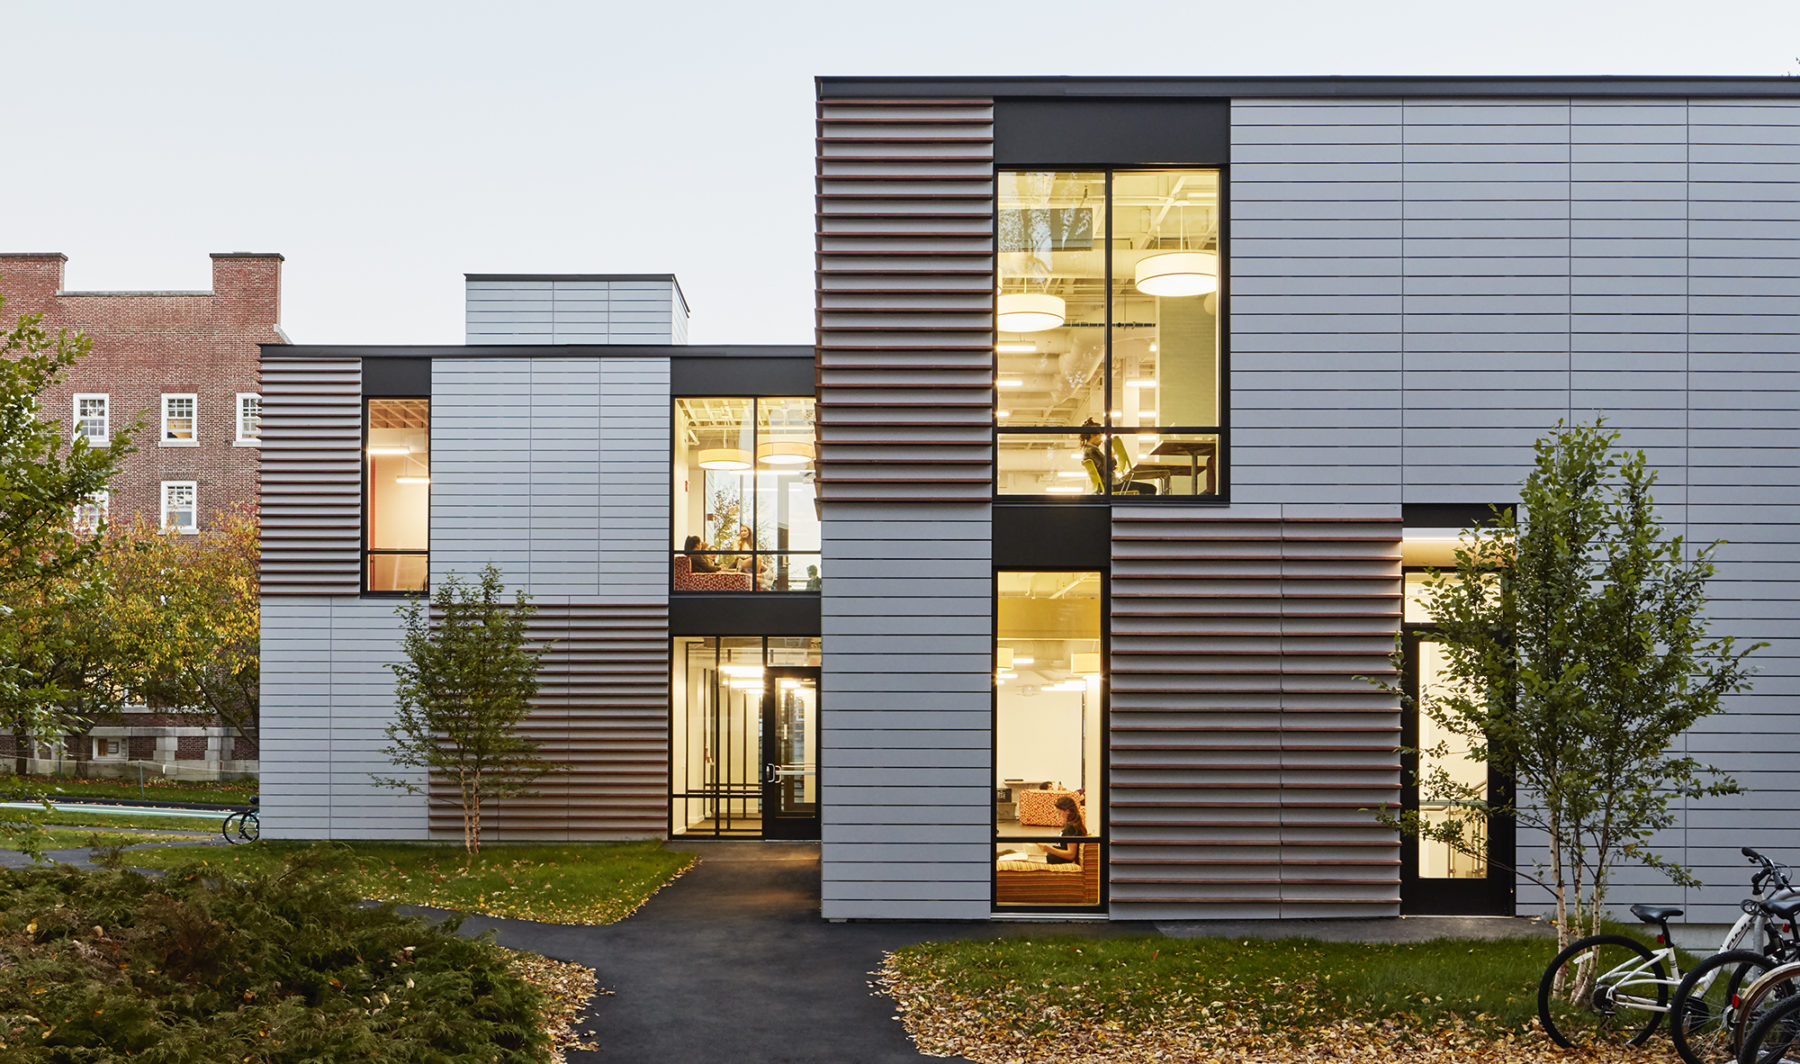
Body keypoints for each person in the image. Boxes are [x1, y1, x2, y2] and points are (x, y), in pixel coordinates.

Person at [1079, 418, 1155, 495]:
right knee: (1150, 488)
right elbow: (1106, 469)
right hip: (1112, 485)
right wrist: (1111, 457)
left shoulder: (1088, 450)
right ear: (1092, 435)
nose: (1102, 439)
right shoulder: (1092, 451)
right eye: (1101, 434)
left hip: (1107, 485)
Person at [1041, 795, 1087, 865]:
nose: (1057, 817)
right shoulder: (1073, 825)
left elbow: (1071, 854)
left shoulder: (1071, 828)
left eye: (1059, 813)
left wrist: (1049, 849)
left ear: (1067, 812)